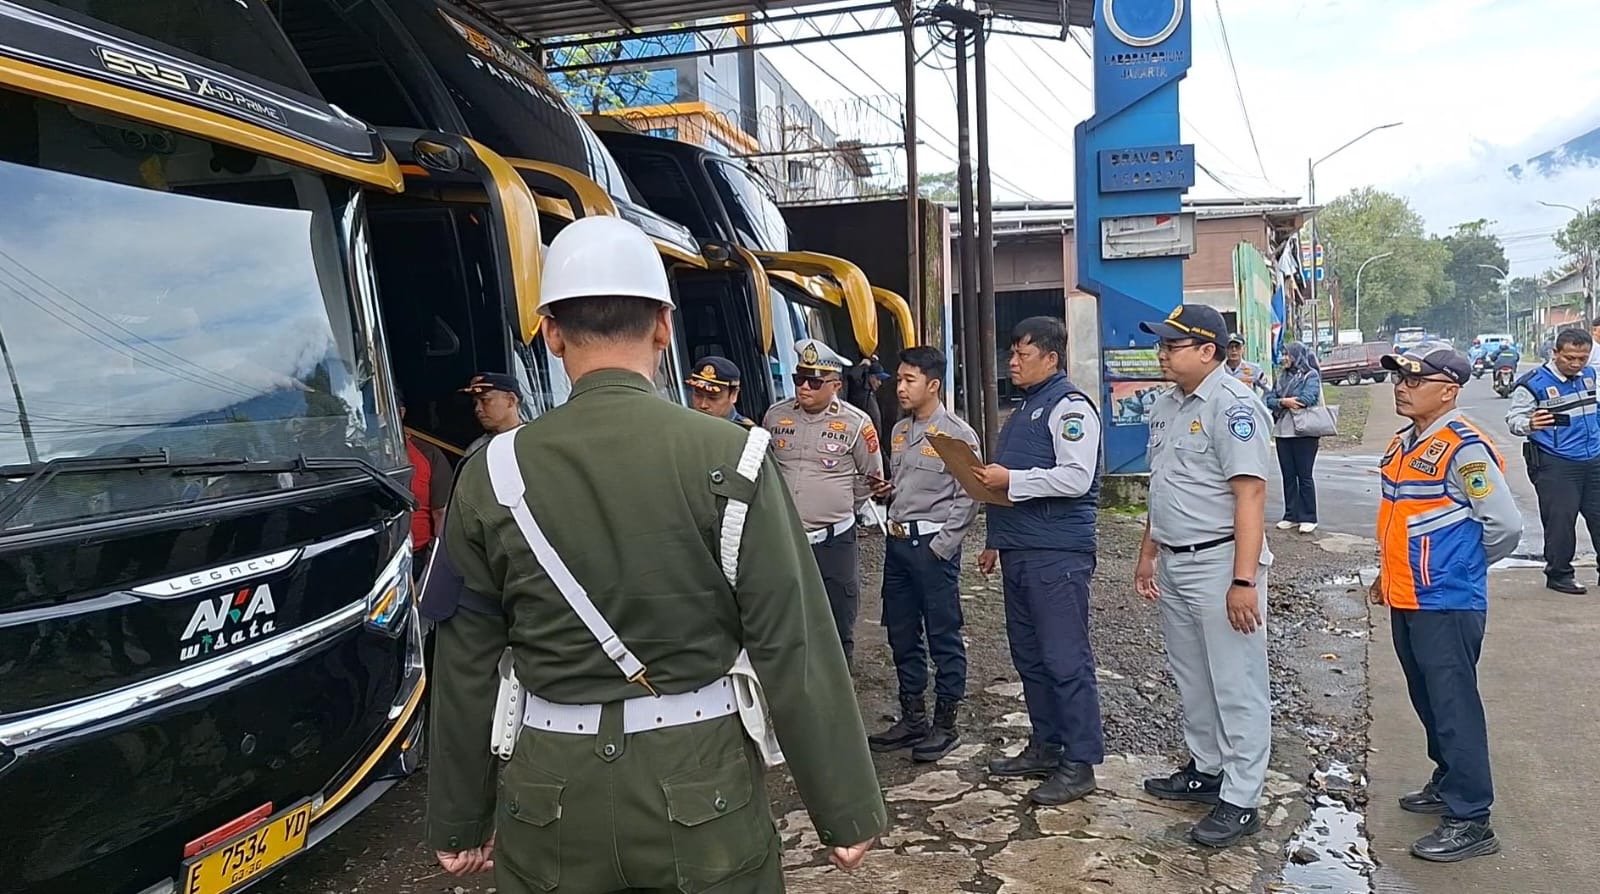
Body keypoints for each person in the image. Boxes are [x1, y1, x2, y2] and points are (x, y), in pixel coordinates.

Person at [426, 216, 884, 892]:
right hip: (704, 788)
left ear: (550, 333)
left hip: (550, 793)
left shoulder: (490, 472)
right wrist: (843, 807)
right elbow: (795, 641)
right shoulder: (737, 457)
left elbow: (464, 662)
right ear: (665, 327)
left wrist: (459, 819)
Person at [1133, 303, 1274, 849]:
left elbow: (1251, 494)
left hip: (1221, 563)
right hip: (1174, 558)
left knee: (1237, 683)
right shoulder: (1166, 406)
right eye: (1162, 345)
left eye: (1172, 346)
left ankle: (1241, 797)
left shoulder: (1234, 406)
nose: (1162, 354)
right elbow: (1164, 486)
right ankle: (1207, 768)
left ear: (1208, 351)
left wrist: (1243, 580)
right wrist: (1148, 552)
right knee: (1193, 676)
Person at [1374, 342, 1520, 862]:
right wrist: (1386, 576)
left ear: (1449, 390)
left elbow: (1504, 526)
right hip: (1406, 594)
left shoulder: (1464, 448)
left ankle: (1471, 817)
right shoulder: (1403, 443)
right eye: (1400, 380)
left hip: (1447, 600)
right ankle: (1448, 778)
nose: (1403, 387)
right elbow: (1401, 520)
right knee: (1428, 698)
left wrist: (1458, 570)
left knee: (1455, 705)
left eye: (1416, 381)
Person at [971, 316, 1105, 806]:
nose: (1012, 362)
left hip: (1057, 553)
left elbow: (1074, 477)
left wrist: (1012, 479)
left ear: (1051, 358)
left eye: (1022, 354)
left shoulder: (1069, 408)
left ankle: (1080, 760)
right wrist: (995, 539)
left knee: (1065, 658)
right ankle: (1047, 744)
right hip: (1021, 549)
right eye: (1011, 353)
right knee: (1030, 655)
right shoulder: (1027, 406)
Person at [865, 346, 981, 762]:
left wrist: (943, 546)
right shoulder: (899, 431)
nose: (900, 387)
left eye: (909, 380)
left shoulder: (956, 434)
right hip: (897, 544)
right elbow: (907, 485)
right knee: (901, 631)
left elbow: (970, 494)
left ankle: (945, 724)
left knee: (942, 634)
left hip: (932, 548)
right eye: (899, 379)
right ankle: (912, 716)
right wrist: (887, 492)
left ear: (933, 384)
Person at [763, 338, 884, 664]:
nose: (804, 387)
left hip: (834, 540)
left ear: (835, 385)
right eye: (798, 379)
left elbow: (871, 478)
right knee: (786, 615)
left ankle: (839, 684)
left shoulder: (856, 423)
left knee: (837, 614)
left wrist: (840, 505)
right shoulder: (775, 417)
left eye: (814, 382)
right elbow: (767, 471)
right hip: (786, 537)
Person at [1505, 328, 1600, 594]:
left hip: (1593, 458)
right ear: (1555, 352)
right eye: (1570, 357)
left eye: (1583, 358)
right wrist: (1530, 423)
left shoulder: (1589, 376)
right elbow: (1514, 420)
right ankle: (1559, 574)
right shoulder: (1533, 383)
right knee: (1561, 521)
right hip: (1556, 462)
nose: (1576, 363)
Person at [1265, 342, 1325, 533]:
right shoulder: (1281, 376)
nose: (1284, 358)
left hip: (1304, 432)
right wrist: (1285, 402)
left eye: (1287, 355)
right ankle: (1291, 514)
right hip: (1283, 431)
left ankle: (1309, 516)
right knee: (1288, 476)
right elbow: (1269, 399)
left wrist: (1285, 401)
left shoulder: (1311, 375)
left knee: (1304, 475)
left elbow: (1307, 399)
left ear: (1297, 356)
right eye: (1283, 354)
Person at [400, 390, 452, 563]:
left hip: (418, 554)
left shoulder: (428, 454)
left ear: (400, 412)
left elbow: (440, 514)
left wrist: (436, 558)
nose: (375, 416)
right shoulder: (359, 454)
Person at [461, 372, 523, 456]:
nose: (477, 409)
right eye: (475, 403)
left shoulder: (537, 439)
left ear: (510, 400)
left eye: (485, 400)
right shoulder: (477, 449)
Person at [686, 355, 756, 428]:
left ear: (734, 395)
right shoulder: (685, 425)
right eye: (698, 395)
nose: (703, 405)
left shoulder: (749, 435)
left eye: (712, 398)